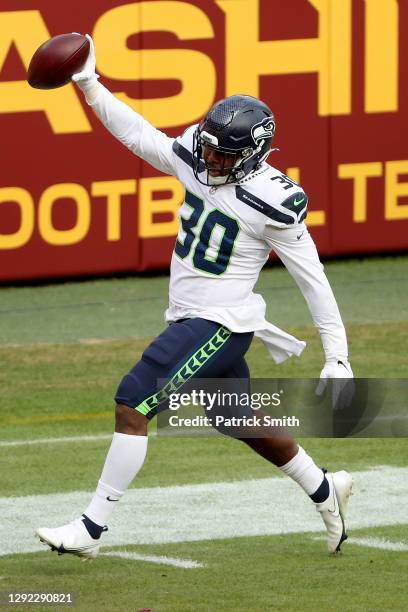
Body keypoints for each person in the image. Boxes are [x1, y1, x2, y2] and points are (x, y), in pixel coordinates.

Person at [36, 36, 353, 560]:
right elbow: (140, 135)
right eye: (206, 145)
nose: (207, 157)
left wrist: (337, 355)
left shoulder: (273, 201)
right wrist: (89, 83)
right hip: (190, 313)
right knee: (236, 418)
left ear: (252, 155)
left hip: (221, 322)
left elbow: (312, 277)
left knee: (133, 400)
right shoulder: (198, 156)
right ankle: (326, 490)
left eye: (221, 153)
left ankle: (91, 530)